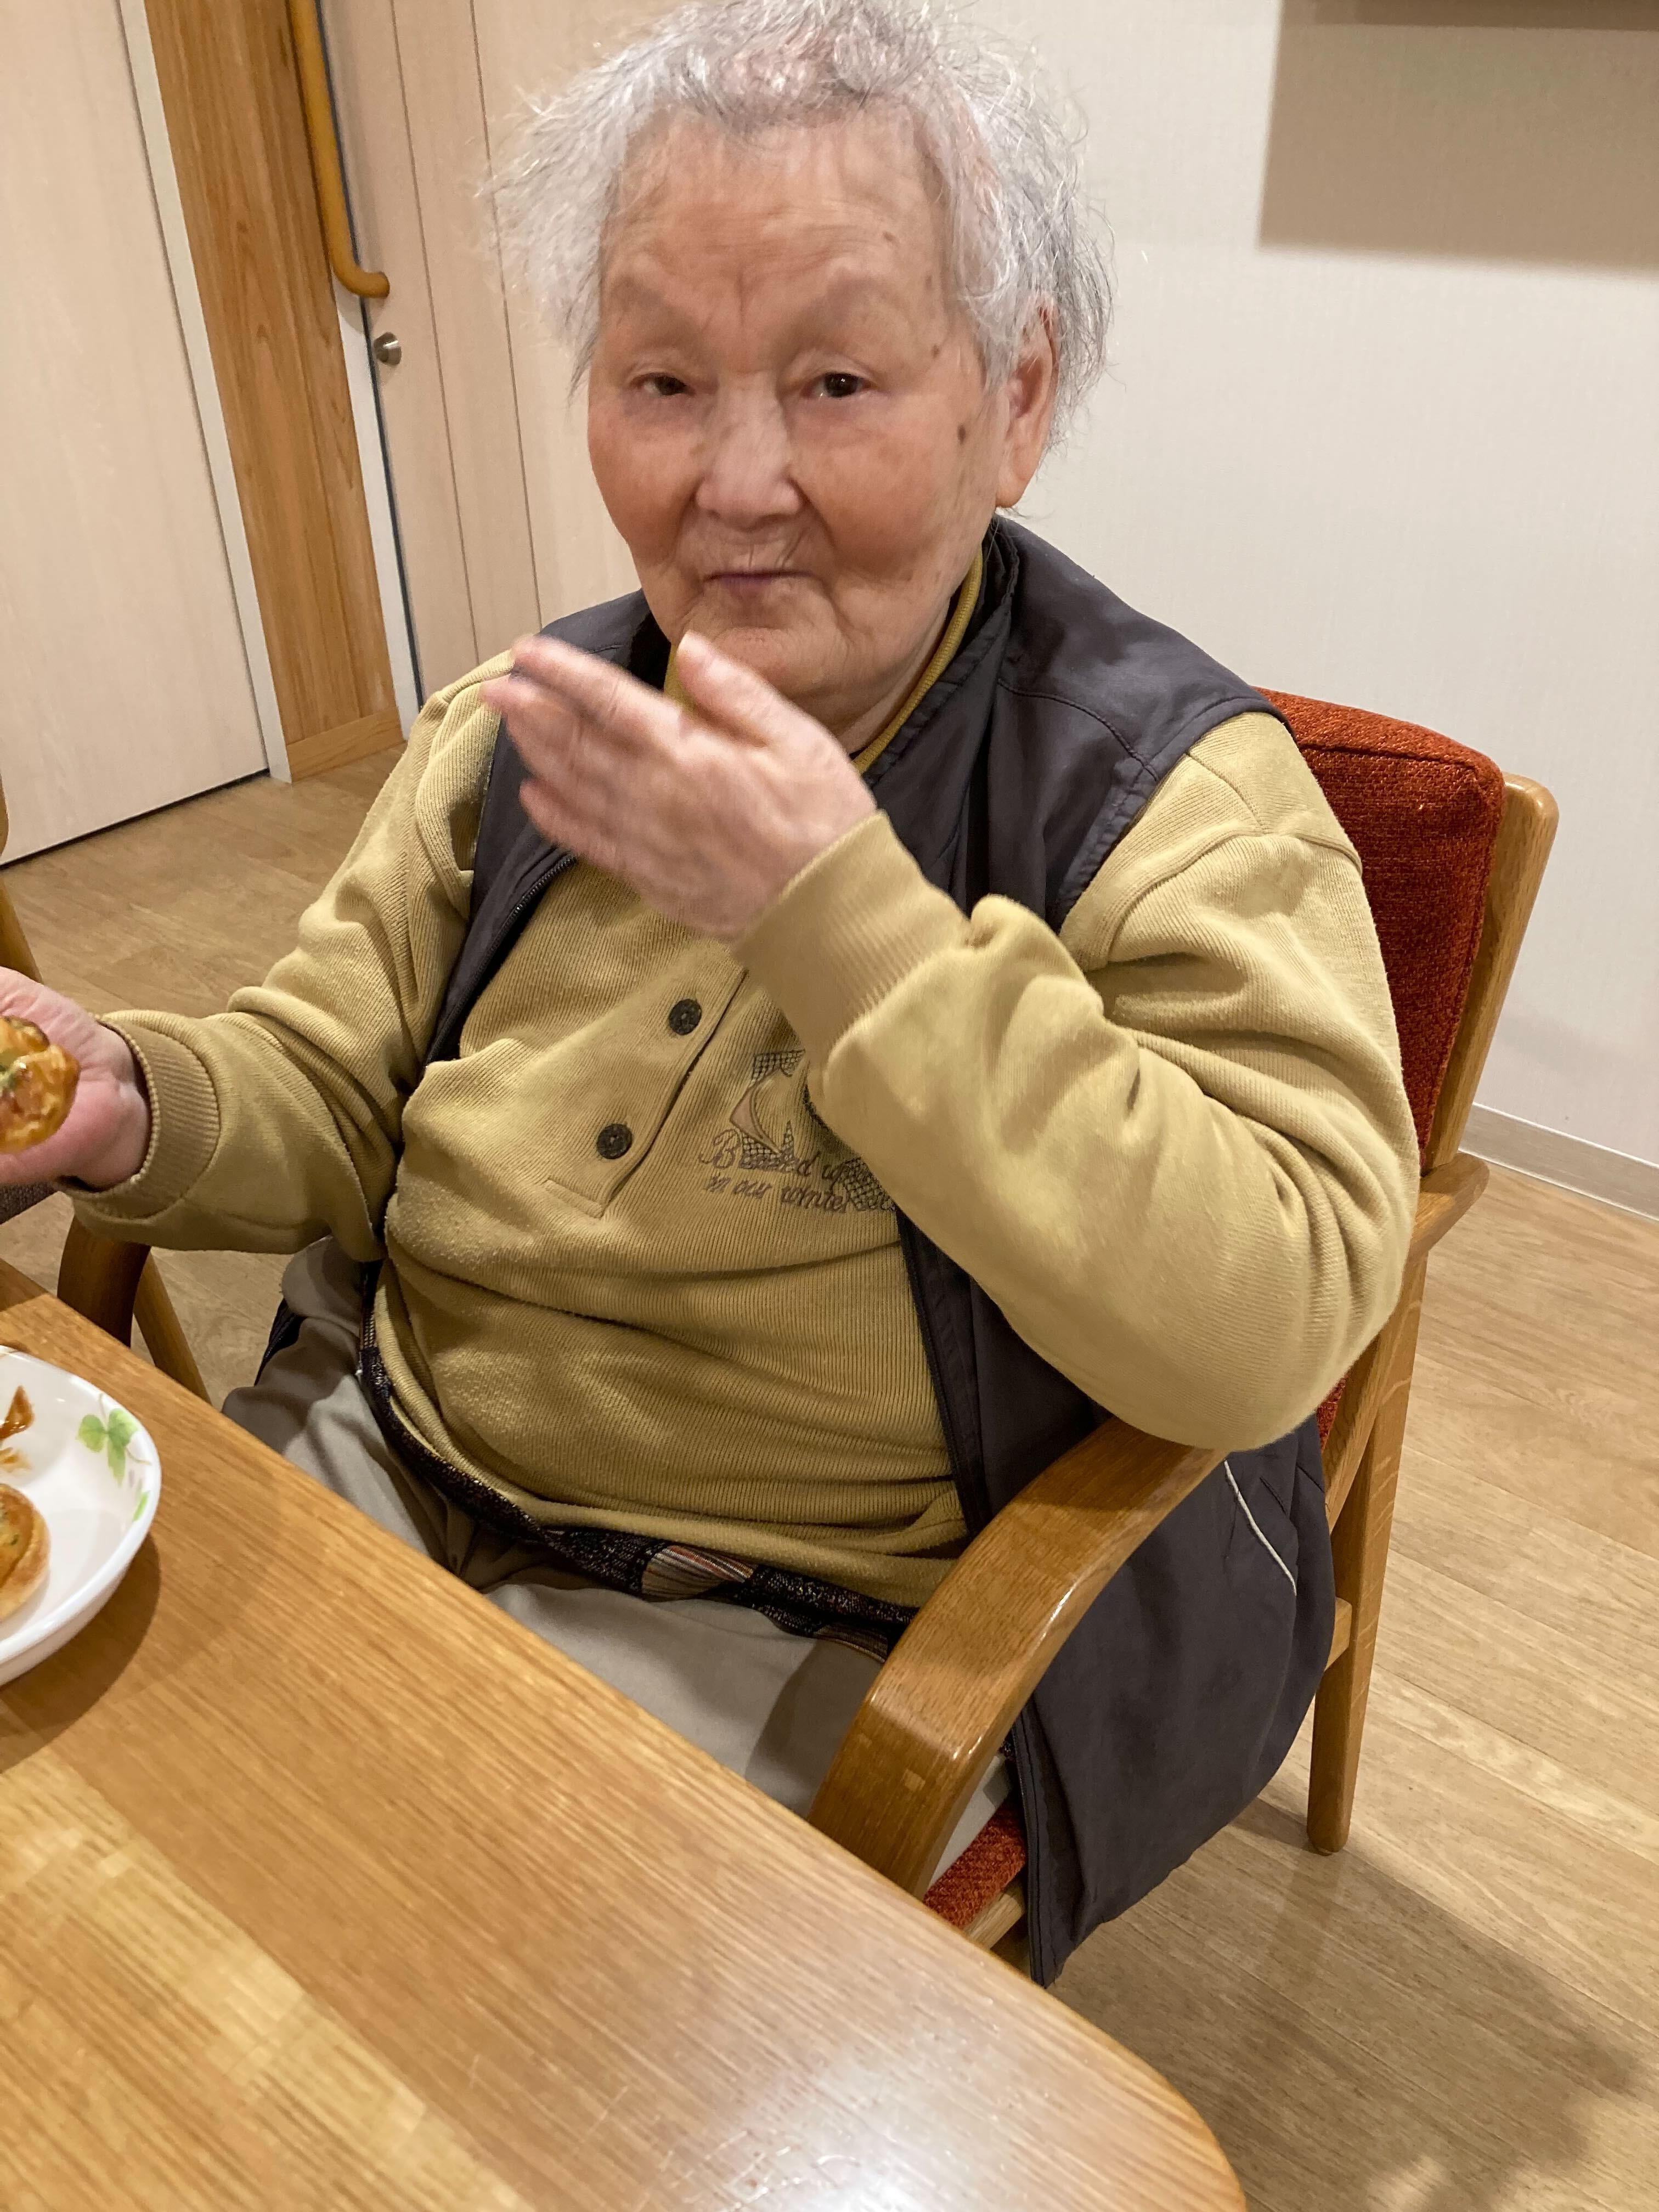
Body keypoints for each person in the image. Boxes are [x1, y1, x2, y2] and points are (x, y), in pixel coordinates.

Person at [0, 0, 1416, 1982]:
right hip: (375, 1458)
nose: (736, 484)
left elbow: (1273, 1316)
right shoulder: (524, 726)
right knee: (91, 1930)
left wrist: (836, 915)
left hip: (797, 1626)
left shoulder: (1166, 797)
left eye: (836, 379)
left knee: (465, 2048)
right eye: (663, 378)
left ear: (1015, 396)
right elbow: (328, 1075)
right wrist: (137, 1097)